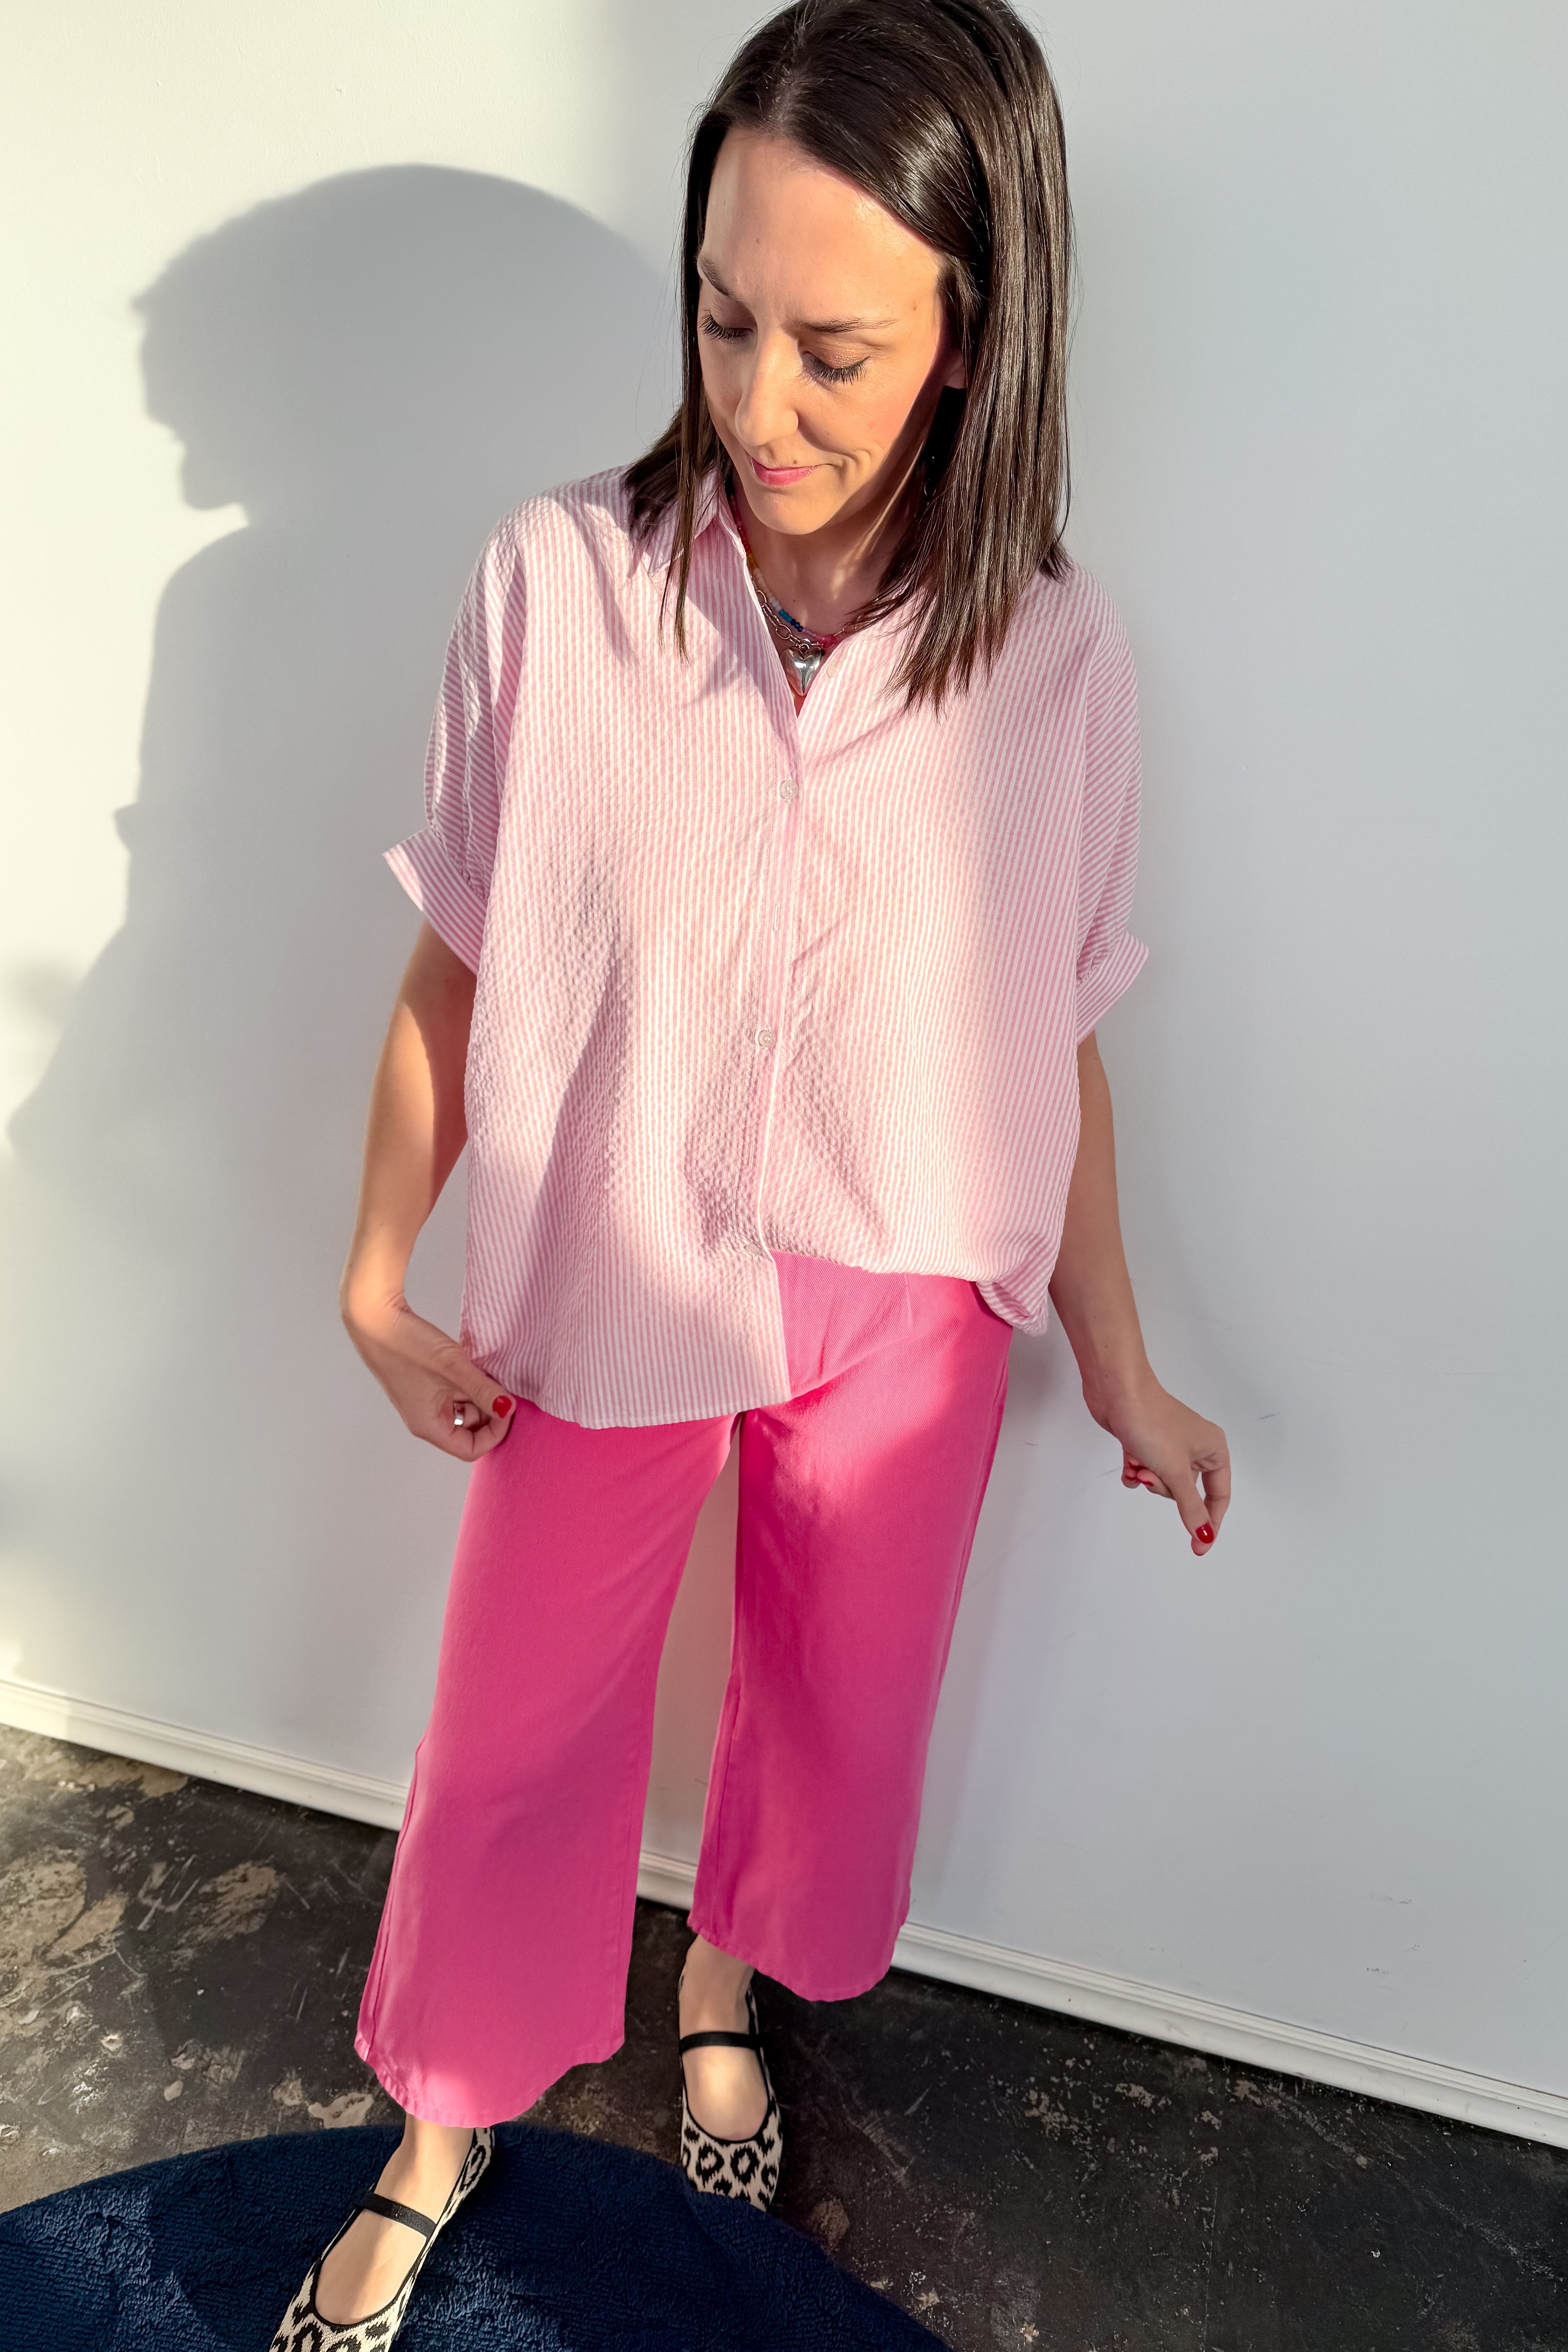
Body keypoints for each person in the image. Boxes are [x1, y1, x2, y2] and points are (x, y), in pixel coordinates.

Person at [270, 1, 1232, 2342]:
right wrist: (374, 1272)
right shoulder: (558, 593)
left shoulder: (1059, 668)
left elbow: (1056, 1045)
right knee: (513, 1735)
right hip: (613, 1271)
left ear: (971, 342)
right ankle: (442, 2118)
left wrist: (1123, 1358)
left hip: (905, 1307)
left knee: (833, 1727)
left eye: (837, 346)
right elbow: (457, 971)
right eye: (724, 321)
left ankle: (730, 1978)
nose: (766, 405)